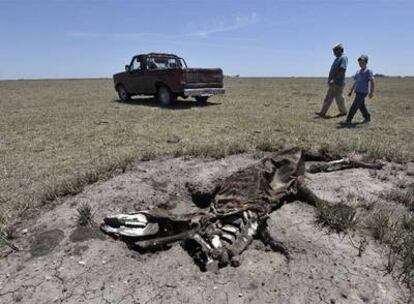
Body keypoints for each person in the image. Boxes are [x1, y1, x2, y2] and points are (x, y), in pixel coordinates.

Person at [316, 43, 348, 118]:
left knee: (338, 98)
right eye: (333, 50)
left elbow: (342, 70)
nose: (334, 52)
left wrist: (334, 79)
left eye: (336, 50)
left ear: (341, 50)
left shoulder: (343, 58)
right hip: (333, 82)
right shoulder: (337, 59)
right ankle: (322, 112)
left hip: (338, 83)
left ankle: (343, 112)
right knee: (328, 97)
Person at [342, 55, 375, 125]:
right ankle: (367, 117)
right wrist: (351, 90)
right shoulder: (358, 71)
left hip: (363, 92)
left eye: (362, 62)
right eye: (359, 62)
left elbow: (372, 82)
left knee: (354, 105)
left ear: (366, 62)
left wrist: (371, 92)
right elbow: (356, 82)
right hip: (357, 91)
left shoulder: (368, 71)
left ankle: (348, 120)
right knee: (361, 105)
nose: (360, 64)